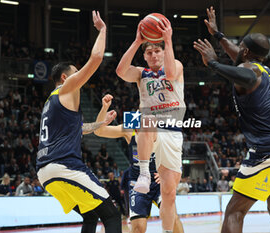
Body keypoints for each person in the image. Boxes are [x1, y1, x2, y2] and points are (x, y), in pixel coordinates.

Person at [193, 6, 270, 233]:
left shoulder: (250, 71)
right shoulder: (264, 70)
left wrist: (213, 63)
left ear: (245, 51)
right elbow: (240, 58)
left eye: (240, 46)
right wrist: (218, 35)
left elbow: (242, 69)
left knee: (235, 210)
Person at [36, 11, 121, 233]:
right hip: (64, 166)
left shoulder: (51, 103)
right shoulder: (66, 89)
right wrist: (103, 30)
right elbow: (96, 59)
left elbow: (80, 130)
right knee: (112, 215)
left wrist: (101, 120)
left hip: (45, 174)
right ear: (65, 78)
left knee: (90, 216)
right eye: (75, 74)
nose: (79, 77)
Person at [116, 17, 185, 233]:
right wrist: (137, 42)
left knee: (169, 194)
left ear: (163, 52)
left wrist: (168, 40)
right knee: (144, 119)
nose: (154, 55)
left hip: (172, 131)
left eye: (157, 51)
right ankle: (144, 173)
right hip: (151, 129)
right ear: (144, 56)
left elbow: (171, 74)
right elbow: (120, 71)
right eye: (149, 52)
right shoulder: (140, 73)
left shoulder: (176, 66)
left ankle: (166, 231)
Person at [94, 94, 184, 233]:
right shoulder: (131, 127)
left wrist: (169, 173)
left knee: (173, 219)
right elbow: (99, 131)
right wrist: (104, 108)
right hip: (137, 181)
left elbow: (176, 154)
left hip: (159, 180)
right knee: (138, 227)